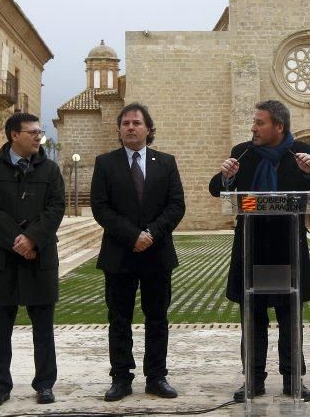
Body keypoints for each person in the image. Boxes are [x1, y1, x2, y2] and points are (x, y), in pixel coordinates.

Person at [208, 100, 310, 402]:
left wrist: (308, 174)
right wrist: (227, 176)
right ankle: (253, 379)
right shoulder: (242, 153)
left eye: (260, 123)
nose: (253, 128)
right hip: (252, 248)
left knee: (291, 318)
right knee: (253, 317)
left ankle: (292, 380)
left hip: (288, 249)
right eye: (254, 122)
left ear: (279, 126)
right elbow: (216, 188)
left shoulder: (303, 154)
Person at [91, 102, 185, 401]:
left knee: (157, 318)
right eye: (126, 123)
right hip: (119, 254)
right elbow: (100, 207)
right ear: (119, 129)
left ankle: (156, 377)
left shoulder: (166, 162)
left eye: (137, 123)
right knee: (119, 319)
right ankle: (121, 378)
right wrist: (133, 236)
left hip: (157, 254)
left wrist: (151, 234)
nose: (131, 127)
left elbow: (176, 205)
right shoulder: (105, 163)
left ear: (148, 129)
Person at [0, 112, 65, 408]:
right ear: (14, 135)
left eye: (40, 132)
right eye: (33, 132)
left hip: (40, 256)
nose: (39, 136)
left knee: (43, 326)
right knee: (0, 327)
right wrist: (19, 241)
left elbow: (55, 207)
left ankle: (45, 384)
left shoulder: (50, 170)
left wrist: (33, 238)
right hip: (0, 257)